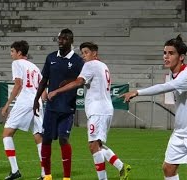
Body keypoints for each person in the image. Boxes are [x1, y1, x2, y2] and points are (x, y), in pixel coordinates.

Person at [47, 42, 131, 180]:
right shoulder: (103, 66)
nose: (83, 56)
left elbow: (79, 82)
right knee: (97, 144)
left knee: (93, 146)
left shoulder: (90, 65)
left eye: (86, 52)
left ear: (94, 53)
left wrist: (57, 91)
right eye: (82, 53)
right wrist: (69, 80)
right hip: (105, 109)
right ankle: (122, 167)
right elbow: (83, 80)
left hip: (98, 110)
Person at [120, 35, 187, 180]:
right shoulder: (173, 73)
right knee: (168, 168)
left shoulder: (185, 75)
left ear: (181, 57)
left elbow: (165, 87)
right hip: (180, 132)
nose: (166, 56)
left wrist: (137, 92)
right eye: (164, 53)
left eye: (171, 53)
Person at [33, 28, 84, 180]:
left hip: (67, 107)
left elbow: (81, 81)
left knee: (63, 139)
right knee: (46, 139)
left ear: (71, 41)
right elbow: (43, 81)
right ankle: (47, 175)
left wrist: (68, 82)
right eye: (59, 39)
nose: (61, 41)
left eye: (64, 39)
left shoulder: (77, 61)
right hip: (51, 107)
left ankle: (66, 177)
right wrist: (35, 100)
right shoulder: (50, 58)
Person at [1, 40, 46, 180]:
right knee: (38, 136)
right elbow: (44, 87)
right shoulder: (35, 67)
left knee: (7, 133)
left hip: (25, 101)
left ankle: (15, 171)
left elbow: (18, 84)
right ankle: (45, 174)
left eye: (12, 51)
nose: (11, 54)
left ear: (19, 53)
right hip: (37, 102)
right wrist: (40, 101)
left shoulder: (17, 63)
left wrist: (7, 104)